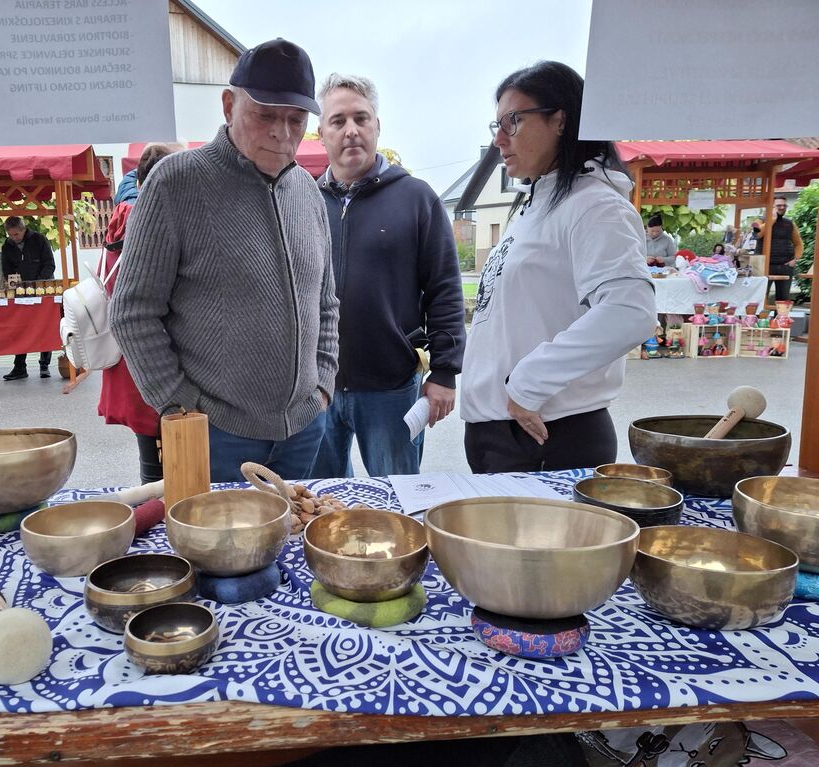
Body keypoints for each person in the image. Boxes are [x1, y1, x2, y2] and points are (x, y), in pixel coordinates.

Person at [109, 38, 339, 483]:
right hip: (216, 431)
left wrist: (323, 385)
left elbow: (326, 302)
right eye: (265, 114)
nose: (282, 132)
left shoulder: (309, 193)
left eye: (295, 119)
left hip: (305, 428)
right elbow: (133, 311)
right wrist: (179, 404)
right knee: (219, 552)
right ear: (228, 105)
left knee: (291, 546)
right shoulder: (176, 184)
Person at [459, 60, 656, 473]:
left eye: (512, 121)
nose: (499, 139)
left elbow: (630, 311)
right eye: (495, 125)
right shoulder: (543, 202)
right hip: (505, 432)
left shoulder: (594, 205)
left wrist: (529, 383)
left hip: (547, 433)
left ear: (560, 120)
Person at [310, 73, 464, 478]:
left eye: (361, 118)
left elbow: (445, 289)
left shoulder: (416, 198)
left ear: (377, 125)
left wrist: (445, 371)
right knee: (320, 505)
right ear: (321, 133)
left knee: (397, 503)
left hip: (391, 388)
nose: (351, 131)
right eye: (338, 121)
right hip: (316, 387)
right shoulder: (303, 201)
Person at [99, 143, 180, 484]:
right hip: (163, 355)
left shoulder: (121, 218)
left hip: (130, 359)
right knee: (182, 463)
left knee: (152, 459)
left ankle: (156, 520)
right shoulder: (151, 222)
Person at [0, 216, 56, 380]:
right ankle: (19, 367)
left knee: (44, 326)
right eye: (11, 235)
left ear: (24, 230)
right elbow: (6, 269)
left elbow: (49, 264)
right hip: (20, 293)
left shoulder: (39, 240)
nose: (14, 238)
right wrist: (15, 283)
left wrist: (37, 283)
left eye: (16, 234)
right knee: (20, 327)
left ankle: (44, 365)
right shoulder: (7, 246)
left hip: (43, 290)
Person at [761, 196, 803, 302]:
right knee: (760, 296)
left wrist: (795, 259)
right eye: (779, 205)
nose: (782, 207)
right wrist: (773, 219)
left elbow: (799, 244)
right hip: (766, 265)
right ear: (772, 207)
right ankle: (758, 319)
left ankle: (781, 319)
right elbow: (758, 234)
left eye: (784, 205)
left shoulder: (790, 223)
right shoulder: (759, 221)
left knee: (783, 299)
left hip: (786, 266)